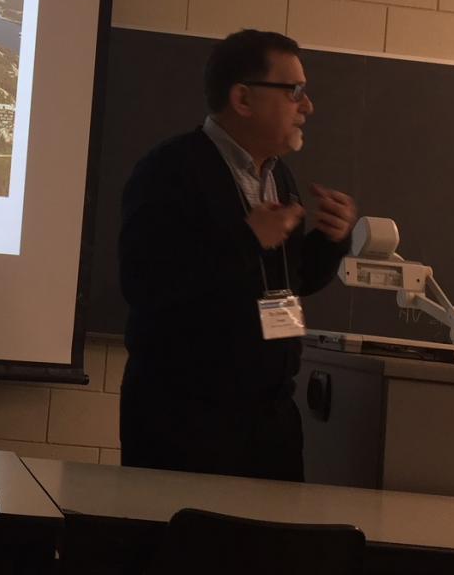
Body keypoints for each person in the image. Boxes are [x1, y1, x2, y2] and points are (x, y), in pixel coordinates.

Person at [117, 29, 358, 482]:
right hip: (186, 423)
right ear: (243, 99)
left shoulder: (279, 177)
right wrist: (248, 238)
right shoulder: (169, 170)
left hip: (270, 417)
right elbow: (145, 283)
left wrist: (331, 240)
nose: (307, 106)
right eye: (294, 91)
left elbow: (288, 281)